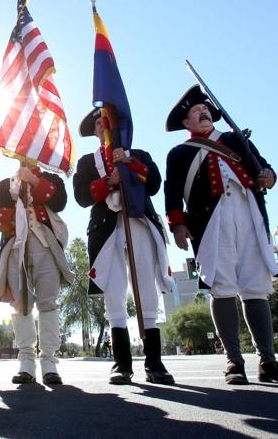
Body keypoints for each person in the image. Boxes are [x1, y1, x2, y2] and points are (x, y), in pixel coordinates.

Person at [164, 85, 278, 385]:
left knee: (256, 285)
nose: (203, 113)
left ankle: (268, 360)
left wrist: (269, 175)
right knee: (222, 285)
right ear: (186, 124)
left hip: (249, 213)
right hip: (211, 222)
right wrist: (178, 224)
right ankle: (234, 362)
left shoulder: (236, 140)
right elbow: (172, 193)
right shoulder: (180, 153)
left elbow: (264, 168)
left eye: (204, 109)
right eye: (194, 112)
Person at [73, 108, 175, 385]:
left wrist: (129, 163)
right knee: (114, 293)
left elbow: (153, 184)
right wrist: (109, 181)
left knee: (146, 291)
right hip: (107, 230)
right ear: (95, 132)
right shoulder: (86, 162)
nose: (103, 126)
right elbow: (81, 196)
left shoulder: (138, 155)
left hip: (139, 222)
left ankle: (155, 363)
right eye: (98, 123)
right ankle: (121, 364)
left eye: (108, 121)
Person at [0, 163, 74, 384]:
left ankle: (49, 362)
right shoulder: (5, 185)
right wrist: (13, 216)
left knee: (48, 302)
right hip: (15, 249)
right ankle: (26, 361)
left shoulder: (53, 179)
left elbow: (60, 201)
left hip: (46, 247)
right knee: (20, 302)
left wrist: (33, 181)